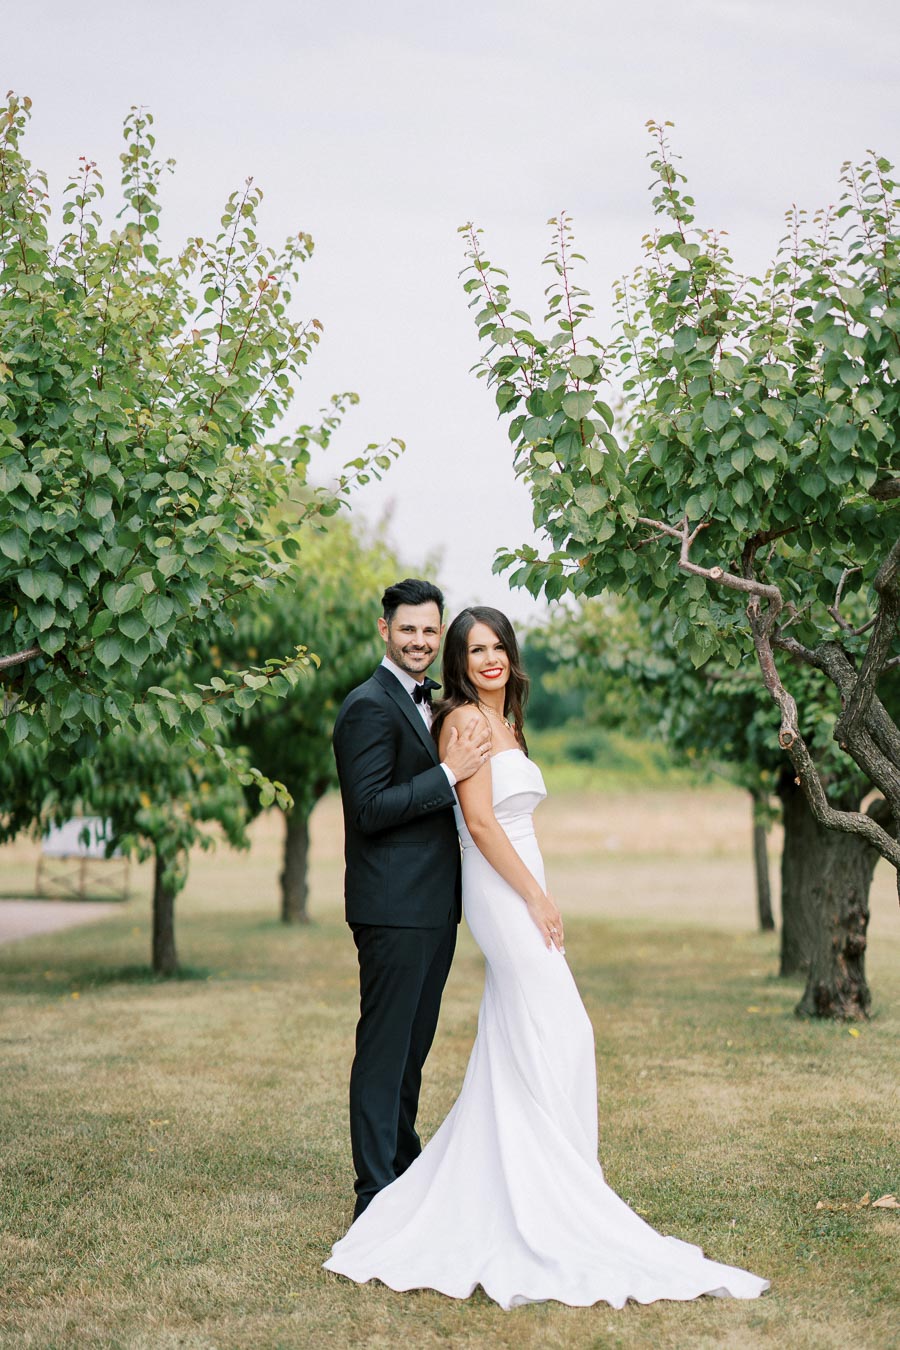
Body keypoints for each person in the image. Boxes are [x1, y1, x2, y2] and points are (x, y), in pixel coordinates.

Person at [324, 605, 769, 1309]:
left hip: (519, 886)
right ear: (456, 661)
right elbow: (475, 821)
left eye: (498, 645)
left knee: (524, 1036)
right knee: (566, 1029)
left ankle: (550, 1181)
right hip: (504, 894)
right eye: (475, 650)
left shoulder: (506, 720)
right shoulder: (465, 721)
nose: (489, 659)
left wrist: (538, 887)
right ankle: (552, 1187)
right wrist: (535, 896)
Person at [331, 579, 491, 1219]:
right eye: (408, 630)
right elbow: (368, 809)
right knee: (385, 1049)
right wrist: (449, 776)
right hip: (392, 908)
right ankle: (374, 1193)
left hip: (432, 908)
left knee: (412, 1052)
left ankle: (401, 1168)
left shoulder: (433, 703)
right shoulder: (368, 706)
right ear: (384, 630)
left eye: (430, 630)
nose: (420, 641)